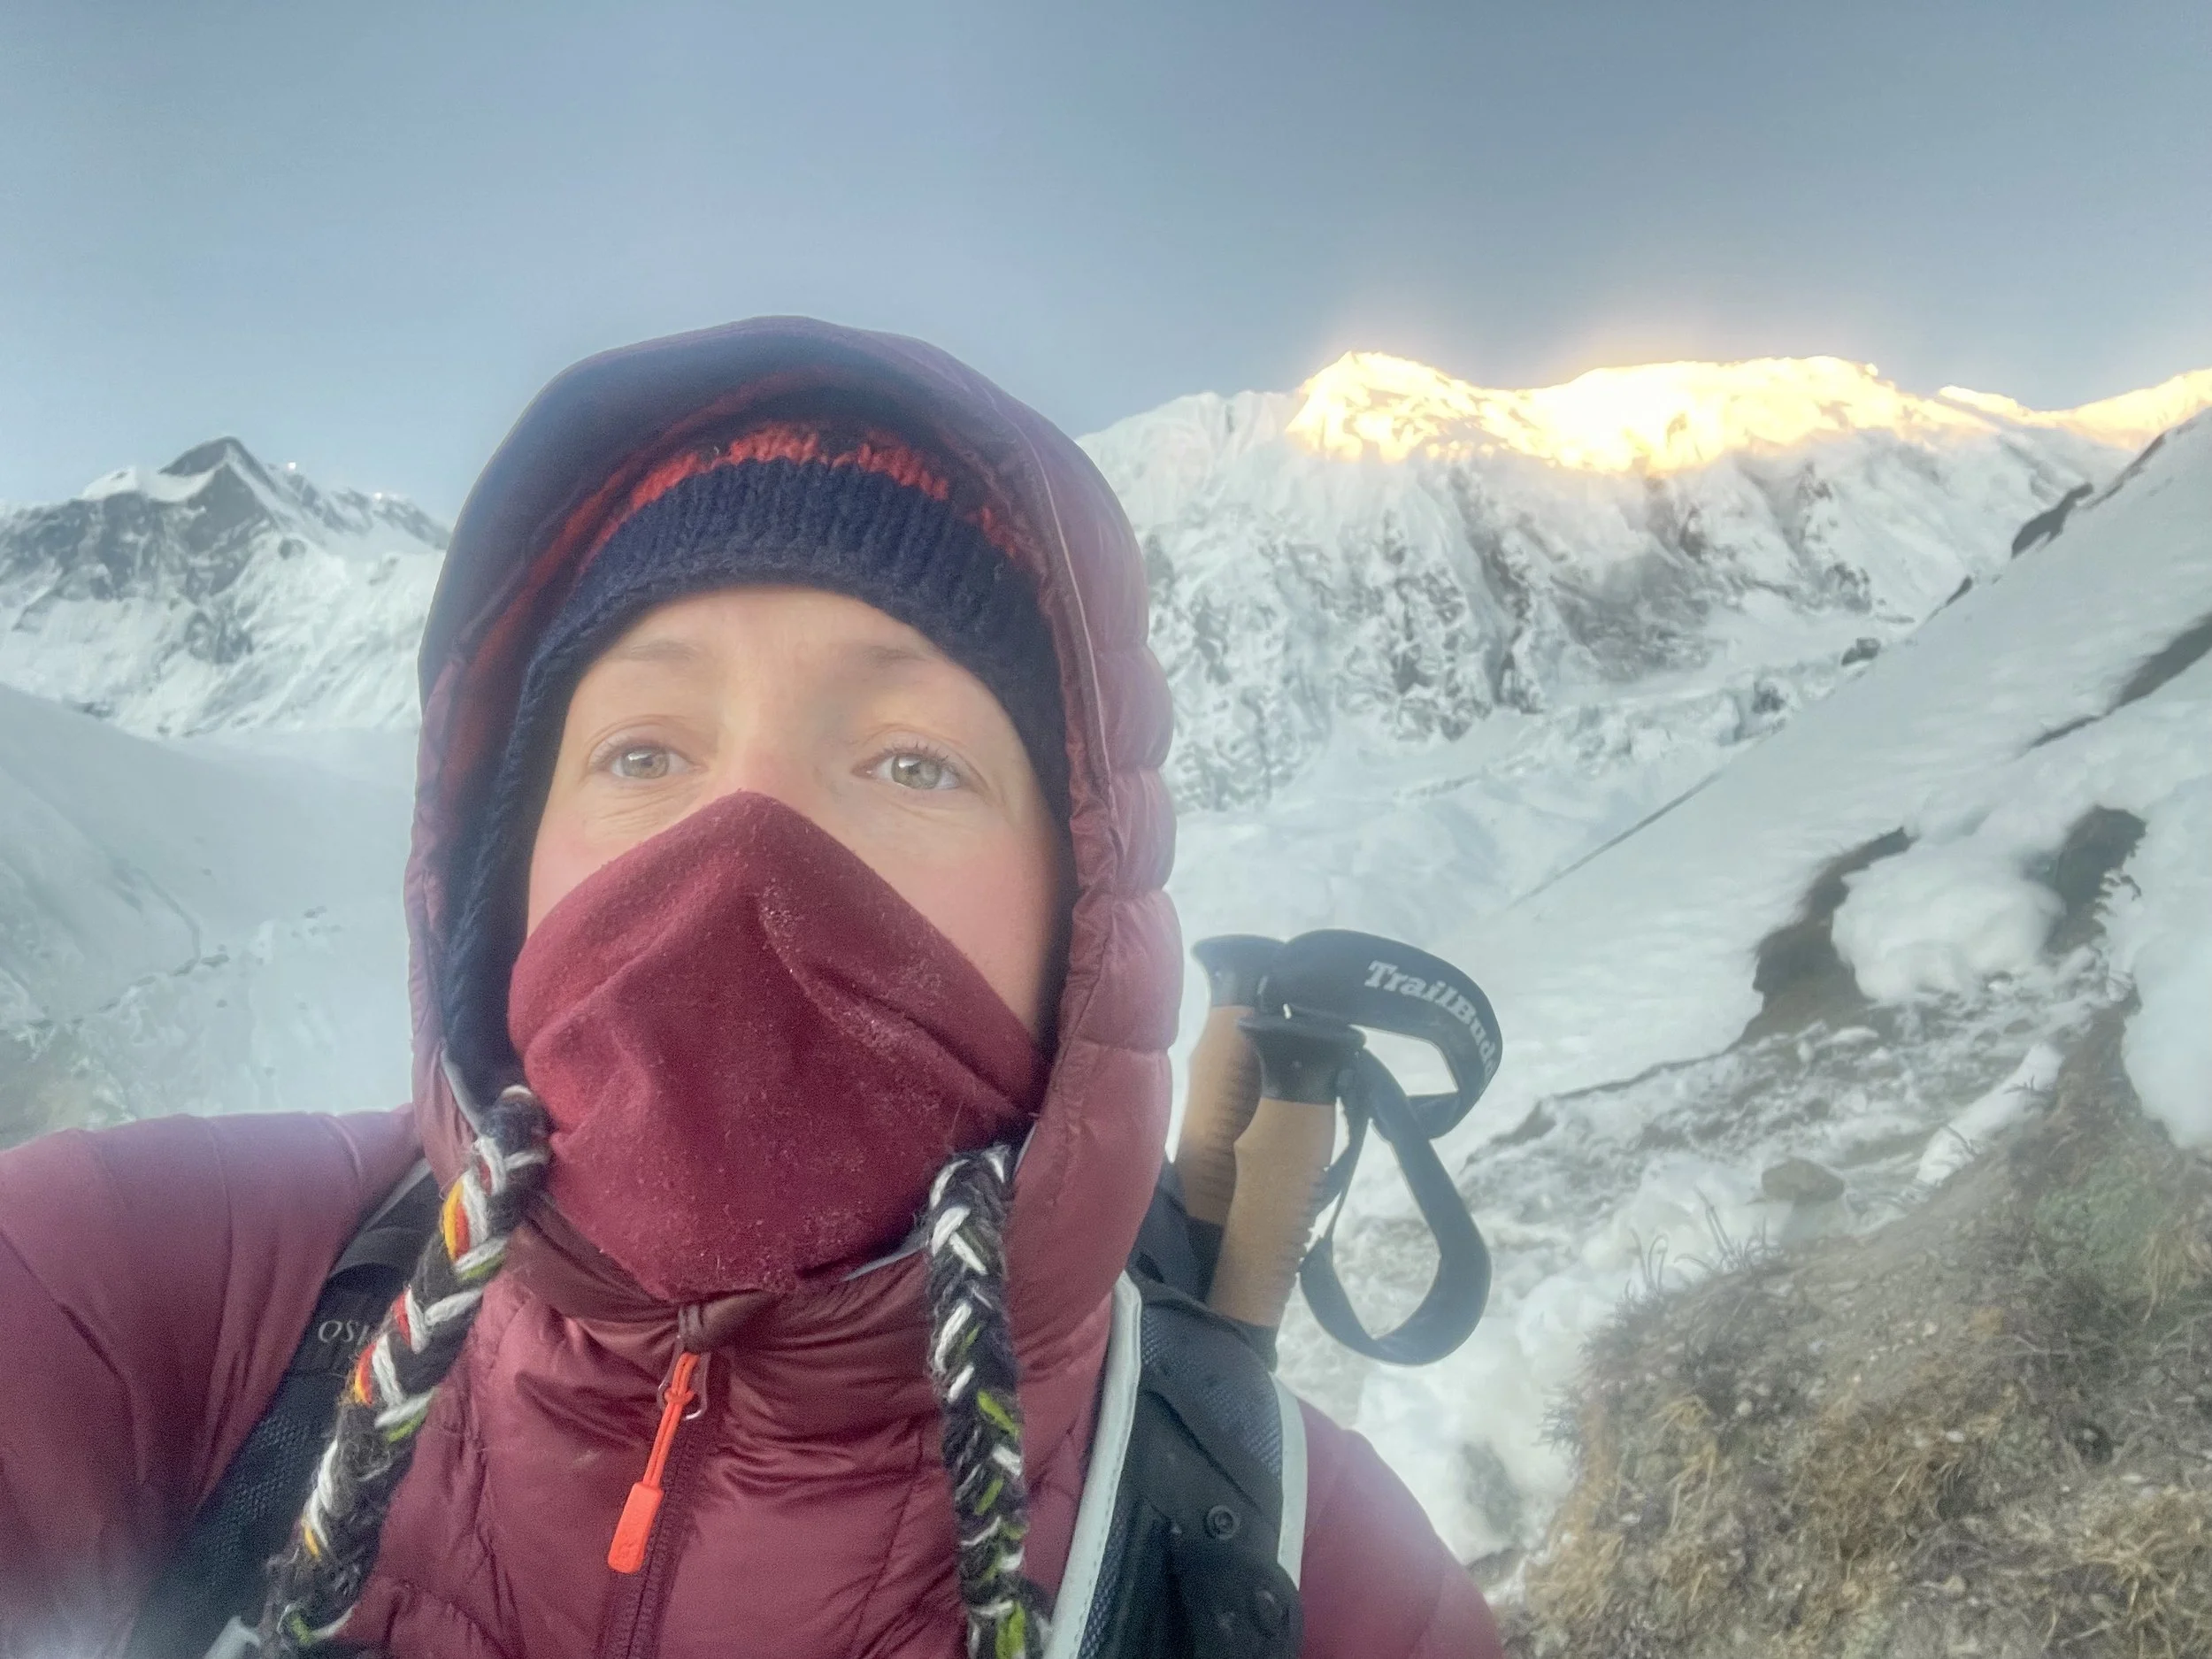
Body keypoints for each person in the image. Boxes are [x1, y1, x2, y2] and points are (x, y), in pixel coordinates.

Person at [0, 318, 1505, 1658]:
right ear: (501, 873)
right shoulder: (156, 1296)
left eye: (912, 761)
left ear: (1083, 914)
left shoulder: (1324, 1583)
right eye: (645, 751)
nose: (747, 846)